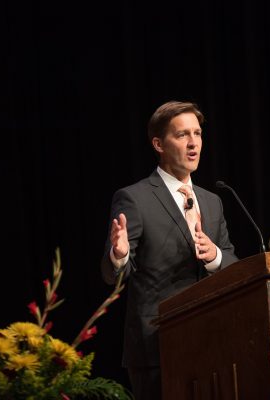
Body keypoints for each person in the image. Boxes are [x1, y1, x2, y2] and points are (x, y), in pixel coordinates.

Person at [101, 100, 239, 400]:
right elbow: (113, 276)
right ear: (158, 144)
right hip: (157, 349)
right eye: (182, 135)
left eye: (198, 133)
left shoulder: (213, 201)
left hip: (213, 343)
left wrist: (215, 256)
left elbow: (233, 264)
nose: (193, 143)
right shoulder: (135, 199)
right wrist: (120, 255)